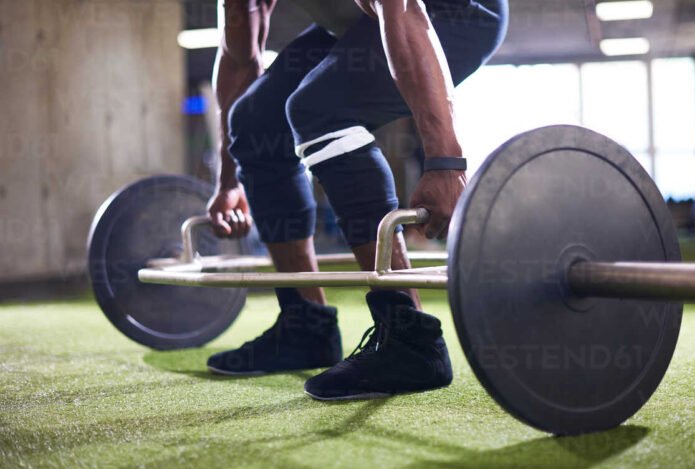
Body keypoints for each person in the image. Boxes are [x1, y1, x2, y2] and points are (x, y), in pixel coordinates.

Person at [205, 0, 508, 400]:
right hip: (358, 24)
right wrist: (229, 181)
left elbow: (401, 11)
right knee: (255, 119)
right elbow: (240, 62)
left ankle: (411, 341)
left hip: (458, 13)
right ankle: (306, 326)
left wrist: (445, 161)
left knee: (320, 107)